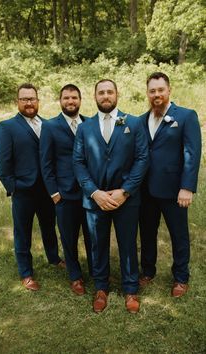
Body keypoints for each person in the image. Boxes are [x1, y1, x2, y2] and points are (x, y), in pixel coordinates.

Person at [73, 79, 149, 313]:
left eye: (109, 92)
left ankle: (130, 289)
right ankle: (101, 288)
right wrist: (94, 193)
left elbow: (142, 159)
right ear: (95, 96)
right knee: (98, 245)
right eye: (101, 92)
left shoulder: (133, 123)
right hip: (95, 200)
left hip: (126, 199)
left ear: (117, 94)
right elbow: (78, 162)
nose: (106, 96)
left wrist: (125, 191)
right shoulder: (84, 128)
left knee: (127, 244)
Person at [0, 83, 64, 291]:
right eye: (24, 99)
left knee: (49, 226)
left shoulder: (48, 124)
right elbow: (2, 160)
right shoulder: (7, 127)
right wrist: (12, 187)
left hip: (47, 190)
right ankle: (26, 273)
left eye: (32, 98)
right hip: (23, 191)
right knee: (22, 232)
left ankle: (53, 258)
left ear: (38, 101)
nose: (29, 102)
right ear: (17, 102)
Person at [139, 72, 201, 297]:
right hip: (146, 190)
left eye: (160, 90)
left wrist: (187, 187)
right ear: (148, 93)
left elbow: (192, 153)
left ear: (169, 90)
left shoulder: (185, 116)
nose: (157, 94)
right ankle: (147, 271)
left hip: (175, 190)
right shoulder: (141, 120)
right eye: (152, 91)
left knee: (178, 234)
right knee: (146, 232)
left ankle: (181, 277)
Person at [40, 84, 92, 295]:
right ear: (60, 101)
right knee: (69, 238)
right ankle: (75, 276)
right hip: (64, 194)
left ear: (80, 100)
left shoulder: (89, 123)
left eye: (74, 98)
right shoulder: (51, 126)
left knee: (92, 235)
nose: (71, 101)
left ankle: (97, 272)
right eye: (66, 98)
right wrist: (54, 193)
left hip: (89, 193)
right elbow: (46, 162)